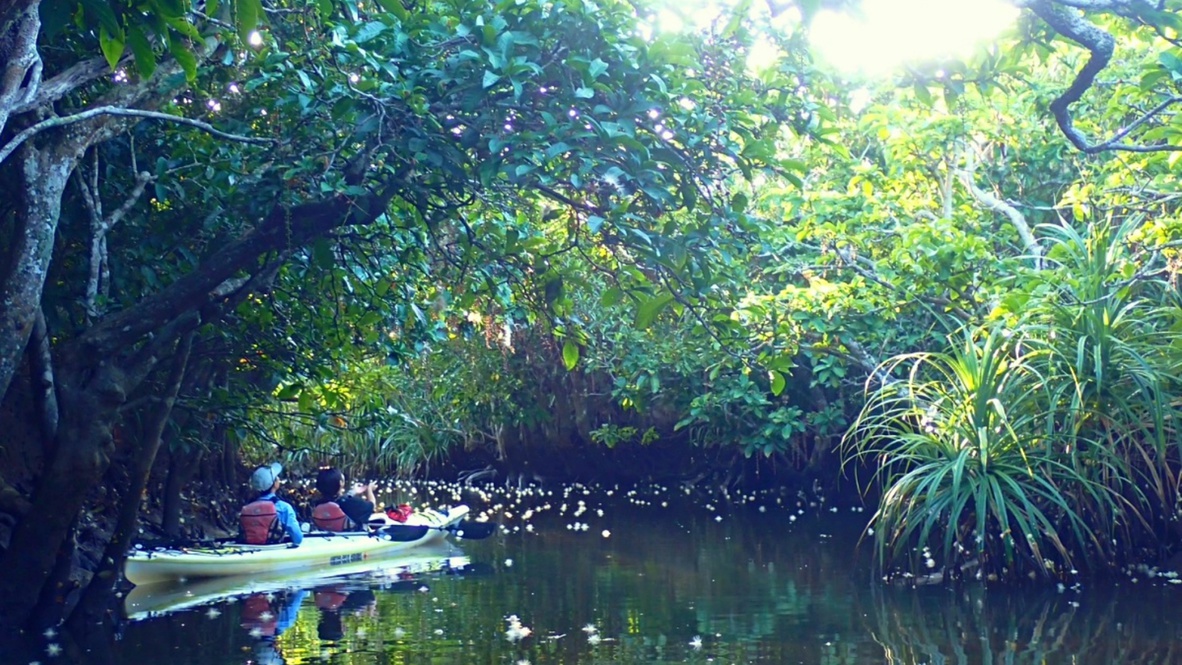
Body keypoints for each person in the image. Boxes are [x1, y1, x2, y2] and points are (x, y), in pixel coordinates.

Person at [240, 462, 303, 546]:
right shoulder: (284, 507)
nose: (278, 479)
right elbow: (297, 538)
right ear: (274, 484)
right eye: (277, 478)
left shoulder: (247, 508)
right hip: (275, 550)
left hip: (251, 549)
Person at [312, 467, 377, 532]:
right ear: (341, 483)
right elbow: (372, 505)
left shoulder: (317, 504)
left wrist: (353, 491)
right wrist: (369, 490)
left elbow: (339, 500)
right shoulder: (351, 503)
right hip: (352, 538)